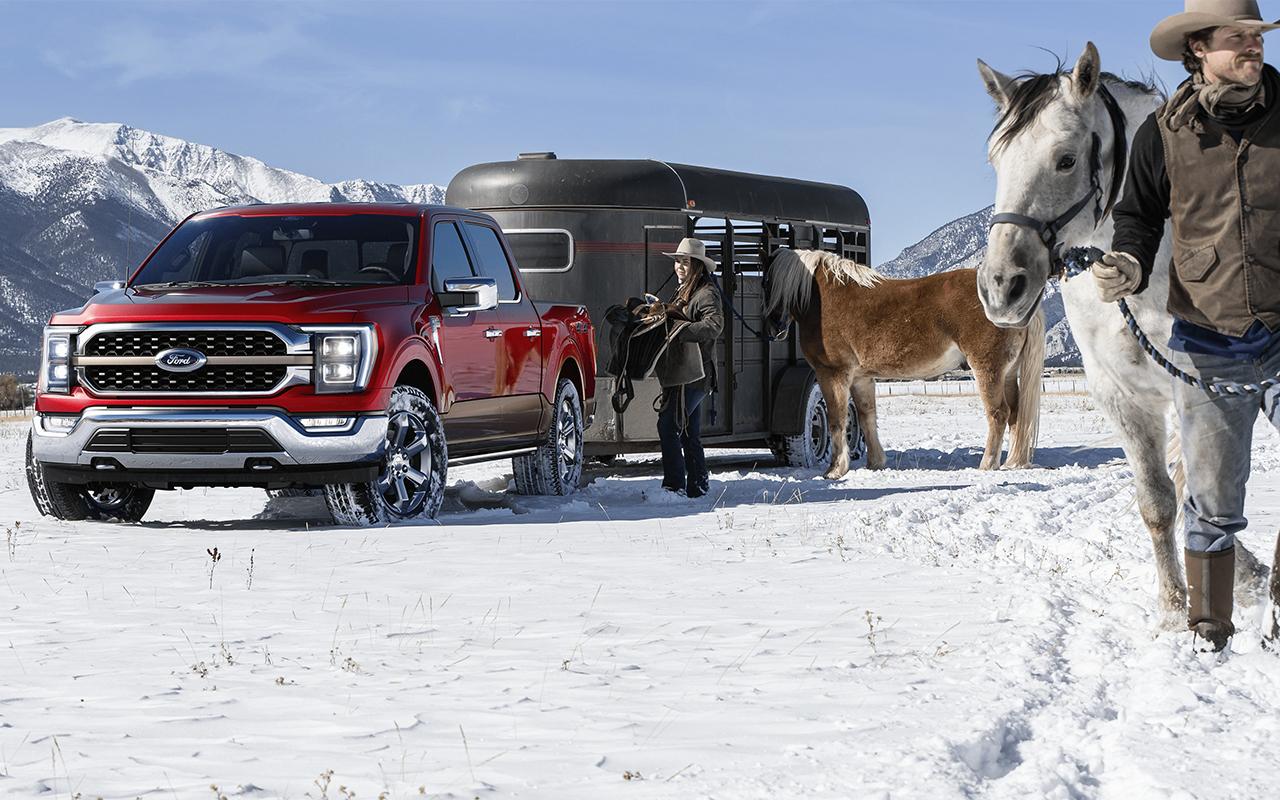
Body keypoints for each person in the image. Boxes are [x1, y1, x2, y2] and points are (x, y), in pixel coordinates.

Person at [1098, 0, 1280, 650]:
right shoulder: (1164, 134)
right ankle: (1209, 632)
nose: (1252, 48)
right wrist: (1127, 261)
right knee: (1211, 500)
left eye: (1256, 37)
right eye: (1237, 39)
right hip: (1209, 338)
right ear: (1198, 49)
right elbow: (1138, 215)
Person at [652, 238, 724, 498]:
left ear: (697, 266)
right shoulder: (684, 291)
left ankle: (674, 485)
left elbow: (715, 325)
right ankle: (698, 484)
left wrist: (679, 332)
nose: (680, 267)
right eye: (678, 261)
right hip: (686, 373)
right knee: (688, 431)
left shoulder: (705, 293)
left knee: (668, 424)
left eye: (686, 262)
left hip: (696, 374)